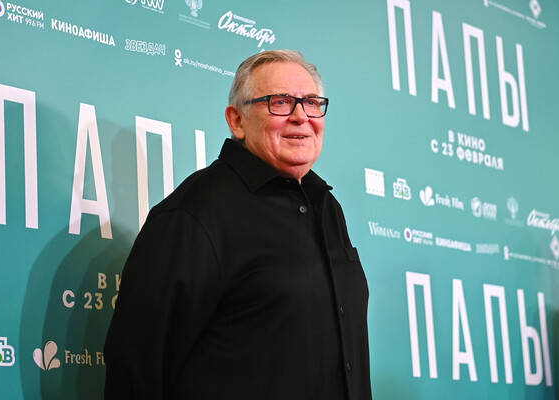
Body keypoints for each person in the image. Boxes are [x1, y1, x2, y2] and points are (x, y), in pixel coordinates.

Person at [104, 50, 372, 399]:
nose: (301, 116)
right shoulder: (195, 213)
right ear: (237, 121)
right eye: (280, 102)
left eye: (311, 103)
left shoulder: (327, 206)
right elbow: (136, 368)